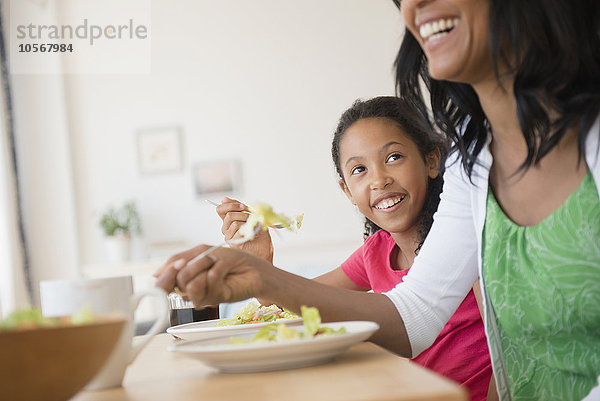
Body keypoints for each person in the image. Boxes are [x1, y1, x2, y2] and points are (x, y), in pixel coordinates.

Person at [156, 1, 600, 399]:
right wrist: (261, 276)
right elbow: (413, 315)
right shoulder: (476, 158)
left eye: (392, 157)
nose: (413, 4)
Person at [215, 96, 491, 401]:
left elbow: (507, 351)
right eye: (359, 169)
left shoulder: (464, 240)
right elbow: (301, 304)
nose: (379, 179)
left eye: (394, 157)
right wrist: (261, 262)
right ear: (347, 191)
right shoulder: (376, 252)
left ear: (431, 160)